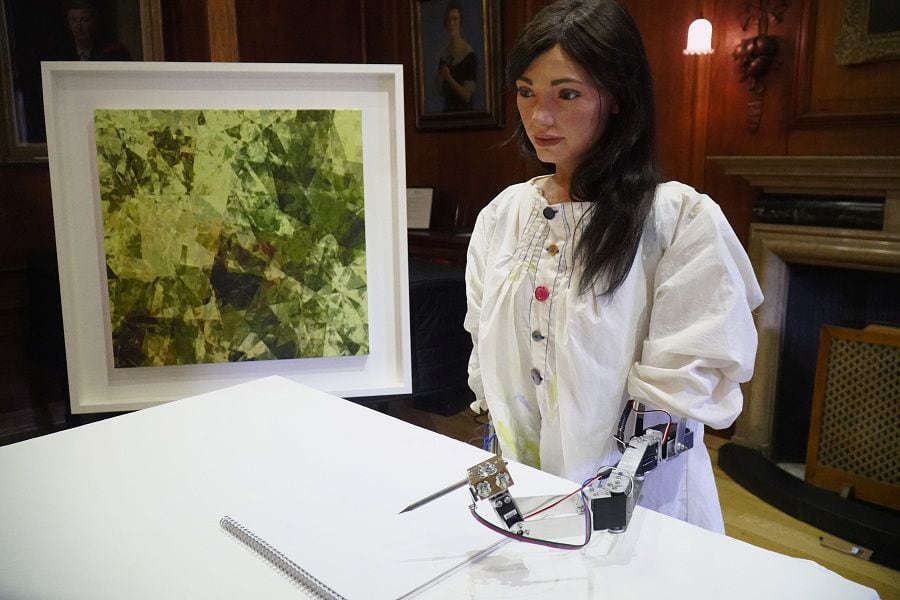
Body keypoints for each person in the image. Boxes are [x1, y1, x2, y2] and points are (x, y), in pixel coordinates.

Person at [464, 0, 763, 533]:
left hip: (641, 510)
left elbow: (685, 380)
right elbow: (484, 351)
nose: (540, 116)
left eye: (568, 93)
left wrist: (610, 487)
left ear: (618, 97)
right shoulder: (502, 216)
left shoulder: (679, 221)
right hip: (527, 494)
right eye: (526, 91)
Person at [54, 1, 132, 61]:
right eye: (73, 20)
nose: (78, 26)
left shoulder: (112, 53)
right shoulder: (61, 53)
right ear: (68, 24)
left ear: (94, 22)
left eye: (84, 20)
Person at [436, 1, 477, 112]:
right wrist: (440, 79)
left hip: (465, 116)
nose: (451, 24)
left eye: (455, 19)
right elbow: (440, 91)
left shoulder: (469, 55)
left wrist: (448, 77)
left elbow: (467, 96)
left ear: (460, 22)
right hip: (447, 115)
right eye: (448, 20)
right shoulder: (444, 55)